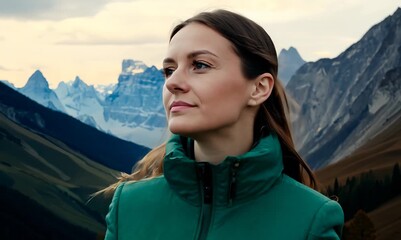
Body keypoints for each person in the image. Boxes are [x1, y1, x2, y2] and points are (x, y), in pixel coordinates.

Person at [104, 9, 344, 240]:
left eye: (200, 65)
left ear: (259, 88)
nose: (172, 82)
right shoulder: (128, 207)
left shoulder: (311, 219)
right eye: (169, 70)